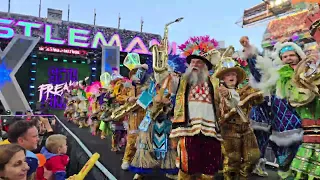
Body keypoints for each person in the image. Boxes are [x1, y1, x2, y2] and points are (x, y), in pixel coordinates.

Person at [153, 36, 223, 179]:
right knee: (187, 167)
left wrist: (228, 95)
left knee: (209, 169)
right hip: (187, 128)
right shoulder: (180, 80)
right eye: (192, 62)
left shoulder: (215, 82)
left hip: (211, 130)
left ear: (206, 65)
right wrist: (160, 61)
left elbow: (226, 102)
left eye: (199, 62)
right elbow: (164, 80)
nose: (195, 64)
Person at [252, 41, 308, 179]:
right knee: (285, 166)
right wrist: (250, 53)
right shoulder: (276, 76)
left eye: (292, 55)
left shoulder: (309, 74)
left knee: (305, 167)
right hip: (282, 128)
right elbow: (260, 75)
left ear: (299, 57)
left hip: (308, 127)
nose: (288, 58)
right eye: (285, 57)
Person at [215, 55, 261, 179]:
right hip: (228, 129)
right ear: (222, 78)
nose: (231, 77)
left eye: (234, 74)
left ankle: (243, 176)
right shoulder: (217, 92)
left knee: (253, 156)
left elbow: (259, 98)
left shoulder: (246, 91)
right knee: (232, 161)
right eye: (228, 74)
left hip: (246, 128)